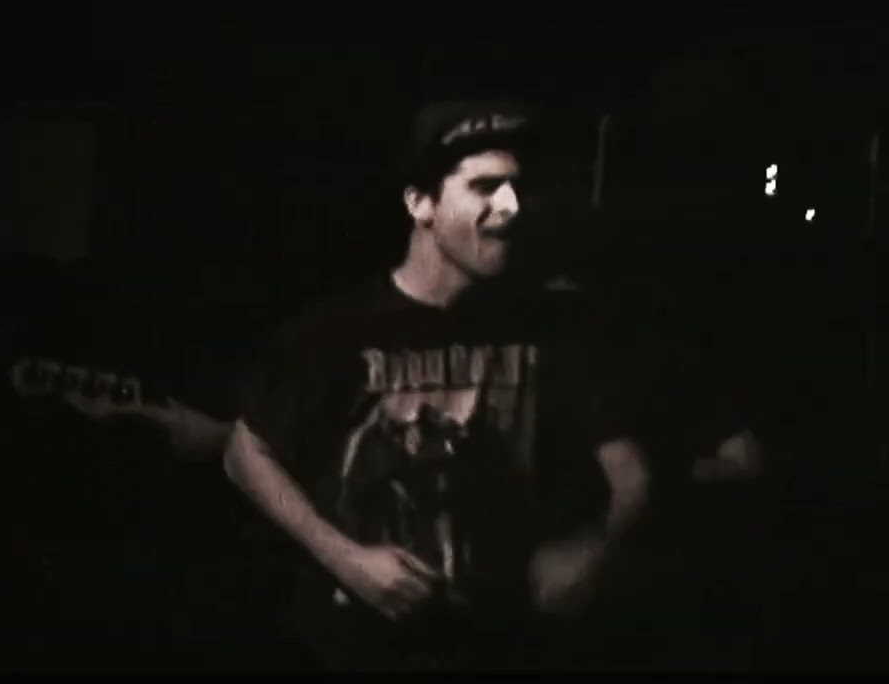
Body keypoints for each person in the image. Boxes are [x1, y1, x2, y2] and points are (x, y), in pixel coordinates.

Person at [222, 100, 654, 671]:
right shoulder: (335, 332)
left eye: (518, 187)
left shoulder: (550, 329)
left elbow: (631, 473)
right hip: (355, 648)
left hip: (498, 647)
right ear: (420, 204)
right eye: (485, 186)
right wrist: (347, 560)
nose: (511, 205)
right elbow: (244, 454)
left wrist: (594, 549)